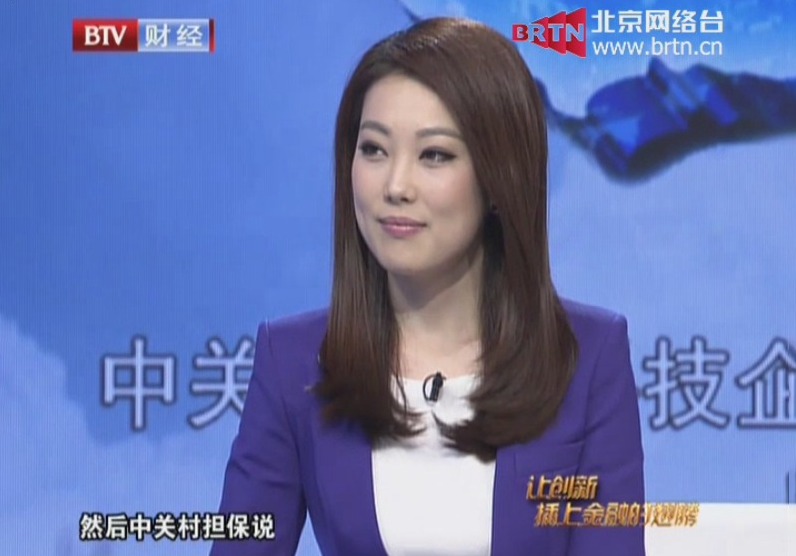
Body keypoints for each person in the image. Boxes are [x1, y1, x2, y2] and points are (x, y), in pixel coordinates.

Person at [210, 16, 644, 556]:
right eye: (374, 149)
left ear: (499, 177)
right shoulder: (293, 361)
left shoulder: (588, 357)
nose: (395, 186)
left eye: (434, 155)